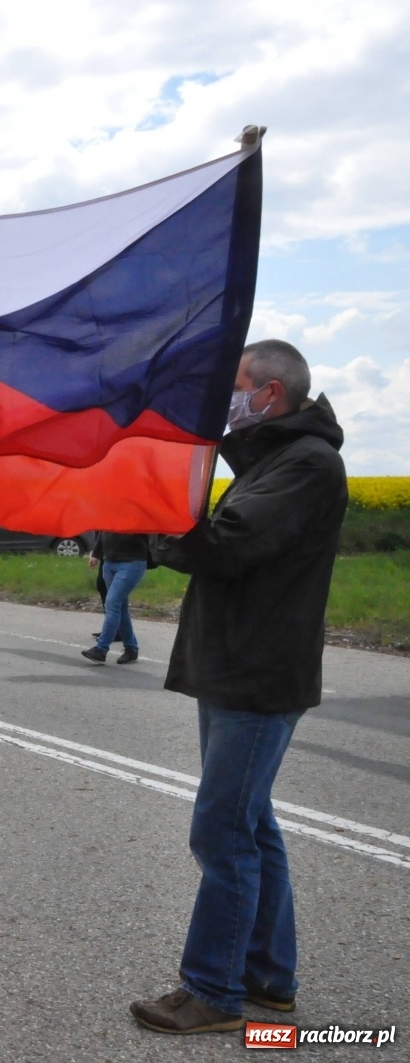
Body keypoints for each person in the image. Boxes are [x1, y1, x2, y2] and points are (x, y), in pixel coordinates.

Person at [129, 340, 348, 1035]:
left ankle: (214, 989)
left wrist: (160, 510)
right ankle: (268, 976)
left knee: (222, 829)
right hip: (237, 665)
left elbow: (226, 548)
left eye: (238, 387)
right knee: (251, 823)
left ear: (272, 394)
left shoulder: (307, 464)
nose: (229, 400)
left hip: (258, 674)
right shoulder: (275, 460)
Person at [81, 532, 149, 664]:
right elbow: (103, 531)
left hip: (132, 562)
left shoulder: (139, 513)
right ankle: (131, 649)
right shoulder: (111, 513)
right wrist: (95, 553)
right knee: (120, 607)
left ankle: (101, 649)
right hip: (109, 562)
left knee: (112, 603)